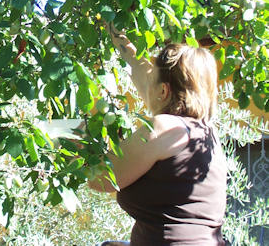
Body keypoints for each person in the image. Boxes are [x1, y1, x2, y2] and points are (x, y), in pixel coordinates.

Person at [89, 25, 227, 246]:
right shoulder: (203, 132)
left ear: (163, 91)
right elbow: (142, 74)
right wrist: (117, 33)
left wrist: (72, 142)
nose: (146, 87)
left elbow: (101, 178)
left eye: (154, 80)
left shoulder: (164, 128)